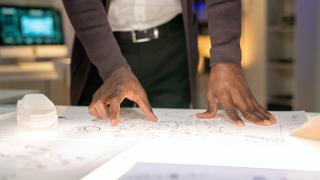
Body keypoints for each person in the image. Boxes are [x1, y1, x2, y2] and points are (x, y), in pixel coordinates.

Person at [63, 0, 276, 127]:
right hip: (100, 48)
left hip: (172, 48)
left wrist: (226, 56)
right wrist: (111, 67)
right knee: (97, 138)